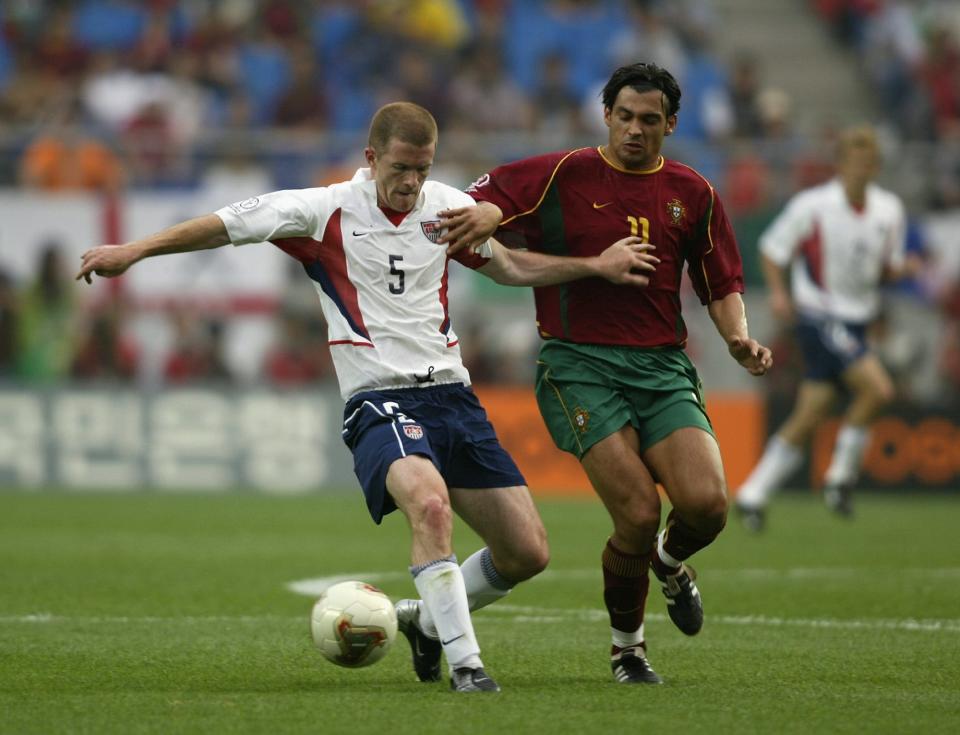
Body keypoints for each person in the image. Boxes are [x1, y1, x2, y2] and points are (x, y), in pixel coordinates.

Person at [75, 102, 657, 693]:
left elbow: (507, 266)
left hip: (454, 397)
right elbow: (225, 224)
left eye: (422, 170)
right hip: (379, 398)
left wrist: (594, 266)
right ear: (371, 157)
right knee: (429, 508)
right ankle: (468, 667)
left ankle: (427, 625)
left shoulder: (448, 208)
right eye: (401, 168)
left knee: (527, 552)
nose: (411, 183)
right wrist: (135, 251)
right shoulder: (322, 210)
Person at [437, 63, 773, 684]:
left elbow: (721, 281)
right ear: (607, 117)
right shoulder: (561, 173)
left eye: (649, 120)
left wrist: (737, 338)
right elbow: (470, 209)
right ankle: (629, 651)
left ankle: (670, 566)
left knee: (706, 506)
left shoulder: (693, 192)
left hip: (663, 366)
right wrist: (482, 213)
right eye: (624, 117)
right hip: (578, 363)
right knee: (639, 514)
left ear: (672, 124)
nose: (635, 130)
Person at [733, 125, 911, 530]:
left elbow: (886, 268)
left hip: (857, 320)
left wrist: (902, 270)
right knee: (878, 388)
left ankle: (753, 493)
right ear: (841, 165)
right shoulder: (812, 206)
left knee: (812, 412)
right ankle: (840, 479)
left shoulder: (889, 211)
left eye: (869, 164)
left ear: (876, 167)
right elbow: (772, 249)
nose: (862, 171)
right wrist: (779, 293)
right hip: (819, 315)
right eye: (855, 163)